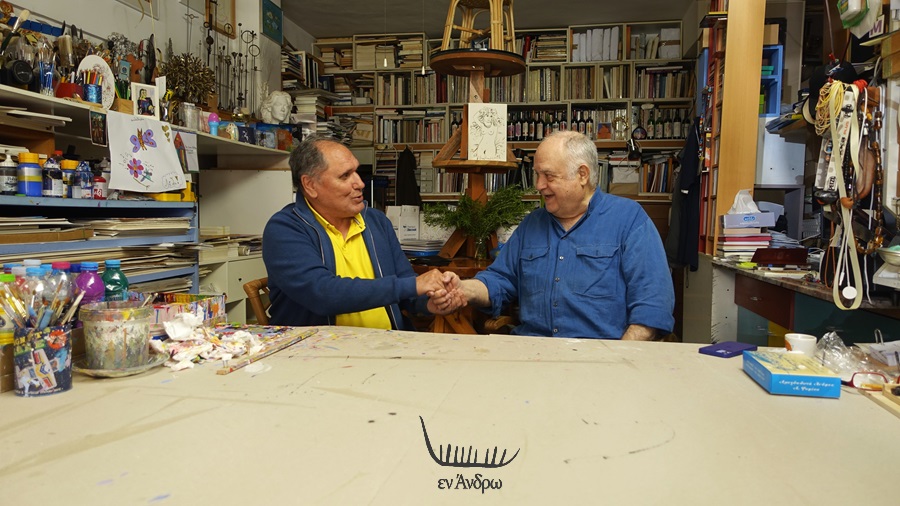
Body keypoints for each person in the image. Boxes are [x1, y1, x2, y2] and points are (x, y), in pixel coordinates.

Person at [432, 130, 675, 340]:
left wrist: (621, 358)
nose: (539, 185)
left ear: (582, 174)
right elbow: (500, 280)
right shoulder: (532, 224)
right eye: (537, 174)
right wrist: (463, 289)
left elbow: (653, 304)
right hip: (534, 352)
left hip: (599, 357)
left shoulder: (629, 219)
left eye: (548, 176)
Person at [263, 136, 460, 329]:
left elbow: (406, 289)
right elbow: (322, 293)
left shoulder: (376, 222)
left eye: (356, 172)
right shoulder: (285, 229)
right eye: (345, 176)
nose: (360, 183)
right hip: (314, 348)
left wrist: (430, 302)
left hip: (387, 345)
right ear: (310, 185)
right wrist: (413, 285)